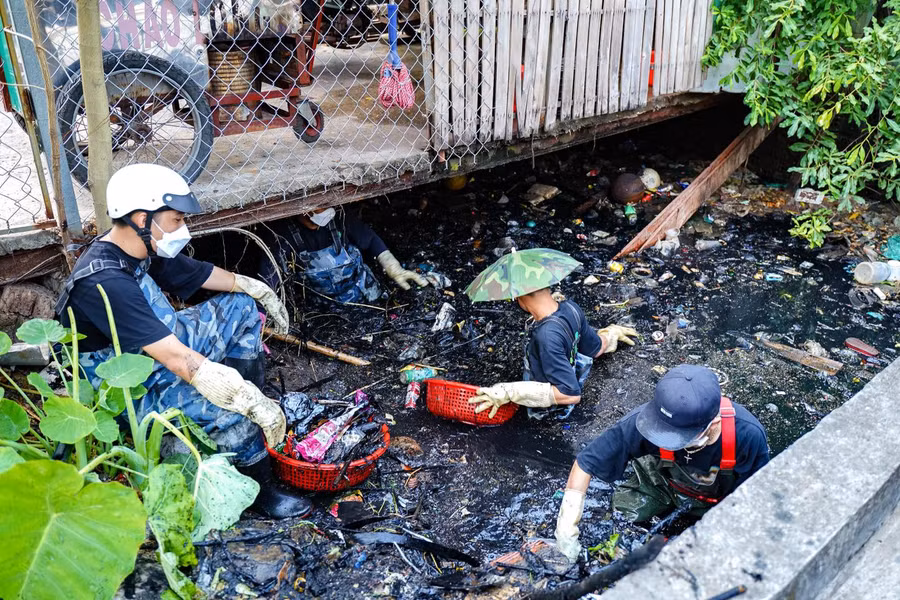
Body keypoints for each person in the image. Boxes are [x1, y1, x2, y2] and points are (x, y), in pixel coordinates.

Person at [56, 163, 310, 519]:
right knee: (227, 411)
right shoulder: (104, 280)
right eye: (176, 219)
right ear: (142, 218)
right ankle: (260, 489)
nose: (183, 229)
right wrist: (242, 400)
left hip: (156, 344)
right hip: (128, 383)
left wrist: (253, 287)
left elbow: (196, 272)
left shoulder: (134, 248)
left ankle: (253, 396)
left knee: (239, 307)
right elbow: (178, 361)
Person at [554, 365, 770, 560]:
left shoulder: (747, 436)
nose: (668, 439)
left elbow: (753, 502)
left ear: (713, 422)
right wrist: (566, 532)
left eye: (678, 437)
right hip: (662, 485)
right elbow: (586, 463)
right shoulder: (644, 420)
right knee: (622, 518)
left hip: (715, 502)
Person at [468, 286, 639, 419]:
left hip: (551, 411)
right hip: (567, 369)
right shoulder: (571, 308)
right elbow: (595, 349)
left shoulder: (546, 336)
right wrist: (610, 335)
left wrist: (510, 392)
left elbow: (570, 394)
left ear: (520, 297)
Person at [258, 206, 427, 304]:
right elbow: (269, 271)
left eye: (323, 206)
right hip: (324, 306)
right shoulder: (283, 233)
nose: (319, 214)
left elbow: (370, 240)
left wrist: (393, 267)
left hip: (364, 291)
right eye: (313, 213)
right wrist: (263, 309)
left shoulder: (340, 217)